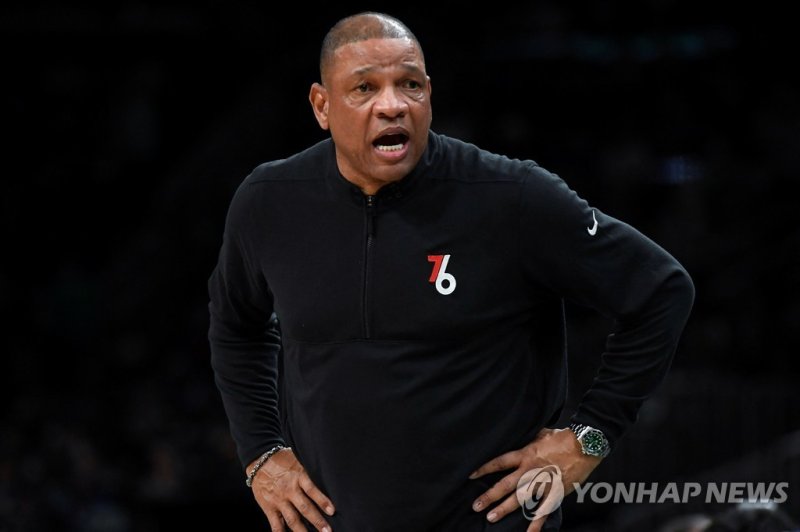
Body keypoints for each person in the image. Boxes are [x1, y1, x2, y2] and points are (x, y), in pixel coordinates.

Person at [207, 11, 694, 532]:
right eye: (365, 88)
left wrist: (590, 436)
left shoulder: (512, 197)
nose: (392, 105)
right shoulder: (269, 203)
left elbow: (662, 291)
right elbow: (238, 326)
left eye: (409, 85)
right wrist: (261, 453)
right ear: (322, 106)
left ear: (429, 96)